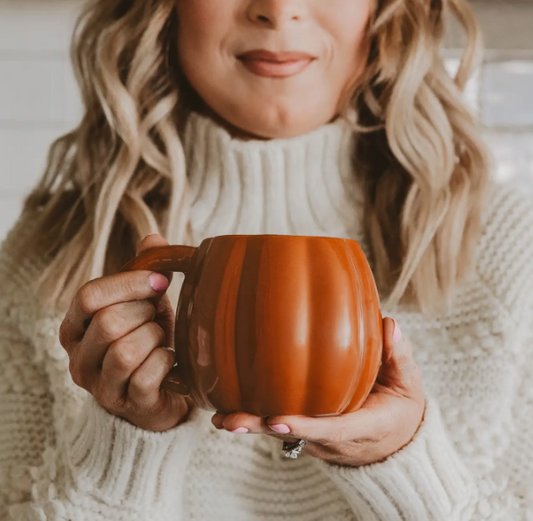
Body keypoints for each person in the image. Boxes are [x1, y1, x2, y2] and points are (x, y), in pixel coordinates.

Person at [0, 0, 532, 519]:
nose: (279, 10)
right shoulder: (46, 260)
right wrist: (129, 442)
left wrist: (398, 461)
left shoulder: (512, 253)